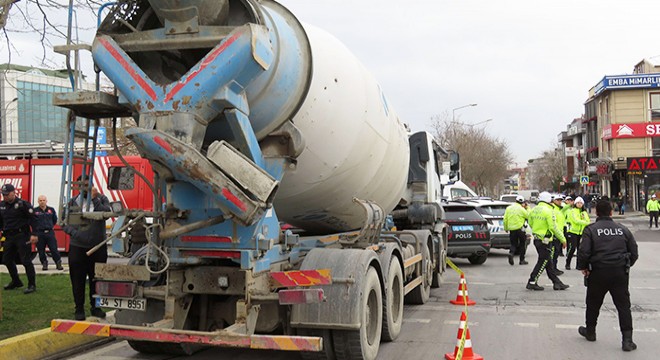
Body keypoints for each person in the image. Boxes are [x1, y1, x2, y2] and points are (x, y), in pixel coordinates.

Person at [577, 199, 638, 352]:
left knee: (593, 303)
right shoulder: (622, 229)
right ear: (611, 212)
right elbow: (634, 252)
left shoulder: (590, 229)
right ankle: (627, 340)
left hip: (598, 271)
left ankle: (590, 331)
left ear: (596, 212)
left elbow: (584, 252)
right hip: (619, 272)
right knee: (623, 306)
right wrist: (626, 265)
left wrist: (583, 267)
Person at [63, 185, 111, 320]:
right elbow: (63, 222)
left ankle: (96, 307)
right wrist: (74, 233)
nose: (86, 189)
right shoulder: (73, 202)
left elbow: (106, 214)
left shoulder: (102, 199)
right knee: (77, 279)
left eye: (88, 185)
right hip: (78, 247)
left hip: (98, 247)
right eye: (82, 186)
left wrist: (95, 200)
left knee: (97, 279)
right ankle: (79, 308)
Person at [526, 191, 569, 291]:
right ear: (549, 200)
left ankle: (557, 283)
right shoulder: (549, 211)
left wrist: (537, 231)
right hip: (545, 240)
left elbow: (530, 223)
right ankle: (532, 281)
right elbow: (553, 227)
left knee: (548, 262)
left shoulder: (534, 209)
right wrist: (563, 239)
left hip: (537, 239)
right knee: (543, 262)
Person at [0, 184, 38, 294]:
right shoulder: (2, 205)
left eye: (7, 194)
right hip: (9, 236)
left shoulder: (22, 204)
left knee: (25, 260)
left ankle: (32, 284)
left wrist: (34, 234)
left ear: (13, 193)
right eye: (3, 194)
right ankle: (16, 281)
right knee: (6, 260)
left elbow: (33, 219)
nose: (5, 197)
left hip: (22, 235)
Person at [34, 195, 64, 271]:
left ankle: (58, 263)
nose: (42, 202)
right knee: (41, 250)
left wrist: (49, 226)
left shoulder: (51, 210)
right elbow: (32, 222)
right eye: (40, 200)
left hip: (49, 233)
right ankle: (44, 264)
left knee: (54, 249)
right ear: (38, 202)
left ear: (46, 201)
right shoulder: (35, 211)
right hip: (39, 233)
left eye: (43, 200)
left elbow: (54, 220)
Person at [565, 196, 590, 270]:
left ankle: (578, 265)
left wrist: (584, 222)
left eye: (581, 203)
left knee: (580, 249)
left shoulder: (584, 212)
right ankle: (568, 263)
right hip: (573, 232)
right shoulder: (572, 211)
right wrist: (584, 222)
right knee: (572, 248)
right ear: (575, 203)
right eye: (578, 203)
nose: (579, 204)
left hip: (581, 232)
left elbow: (588, 221)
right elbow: (575, 220)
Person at [503, 195, 529, 265]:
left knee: (513, 244)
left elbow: (505, 219)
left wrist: (506, 228)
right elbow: (528, 216)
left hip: (512, 229)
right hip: (520, 229)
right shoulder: (522, 209)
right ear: (522, 202)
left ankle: (511, 253)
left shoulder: (509, 208)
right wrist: (527, 207)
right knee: (522, 244)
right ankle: (522, 260)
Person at [550, 194, 566, 275]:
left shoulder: (559, 210)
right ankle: (552, 269)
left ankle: (554, 268)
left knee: (556, 253)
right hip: (554, 234)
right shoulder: (553, 210)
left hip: (559, 234)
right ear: (554, 201)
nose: (560, 202)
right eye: (558, 200)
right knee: (554, 253)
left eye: (560, 200)